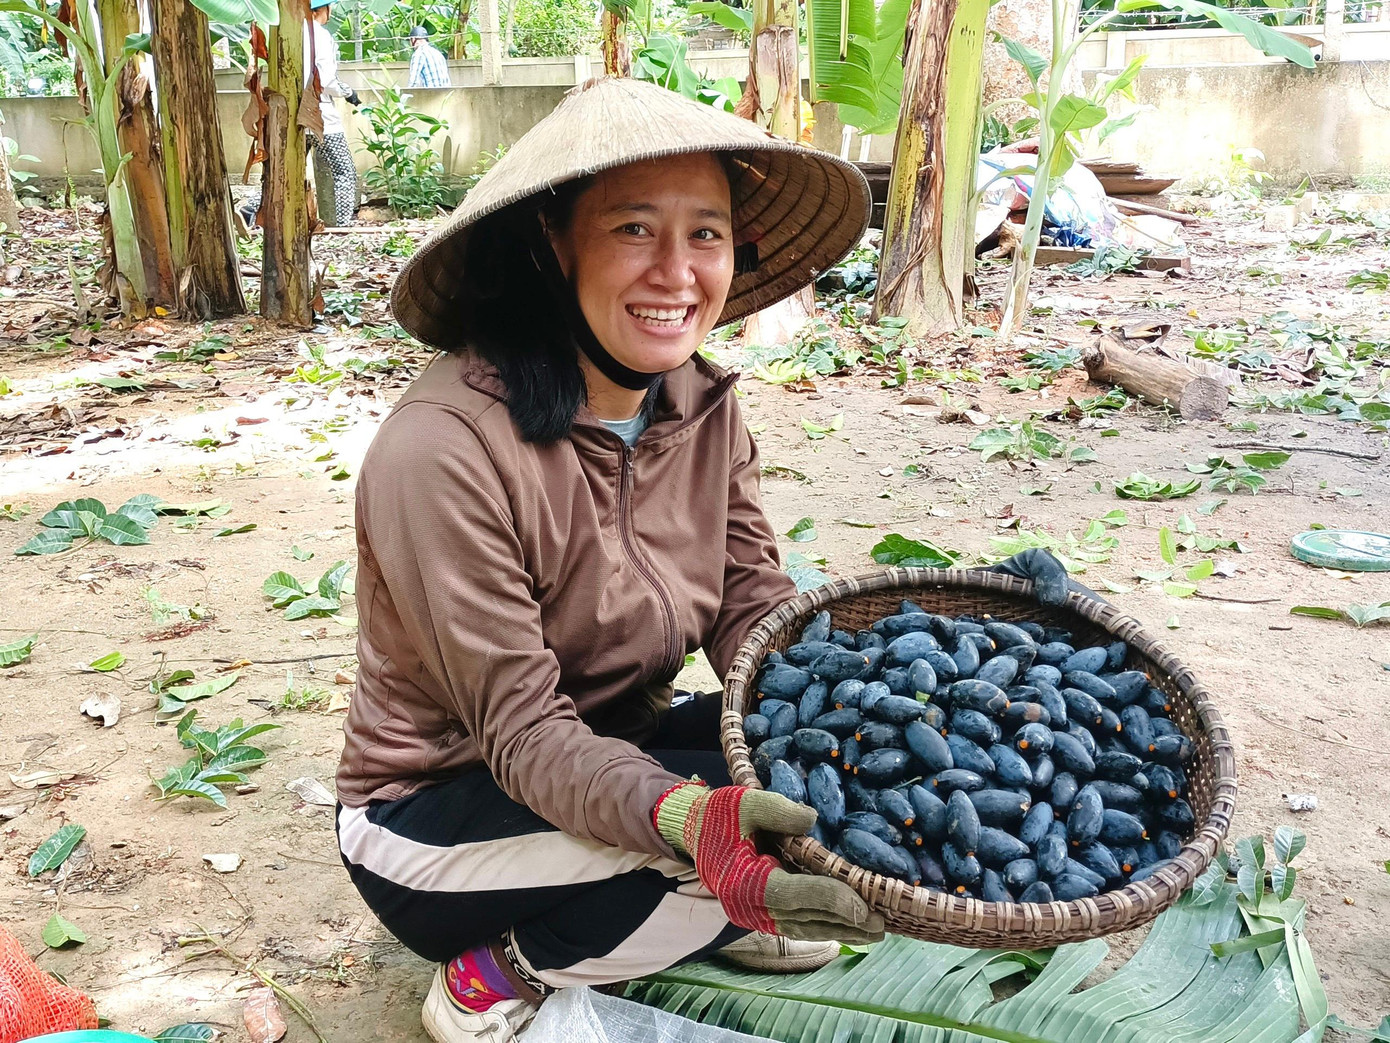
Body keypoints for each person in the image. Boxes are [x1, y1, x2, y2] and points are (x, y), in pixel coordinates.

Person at [335, 77, 1076, 1043]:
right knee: (720, 850)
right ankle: (492, 972)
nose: (677, 272)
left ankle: (686, 906)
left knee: (835, 804)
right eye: (634, 229)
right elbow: (521, 735)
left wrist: (928, 664)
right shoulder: (444, 451)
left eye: (707, 234)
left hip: (604, 750)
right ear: (553, 244)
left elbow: (751, 607)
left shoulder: (697, 403)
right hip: (436, 818)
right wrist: (691, 820)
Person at [235, 0, 359, 232]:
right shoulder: (320, 35)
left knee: (280, 170)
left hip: (286, 115)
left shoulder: (285, 32)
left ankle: (249, 209)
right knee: (343, 170)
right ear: (323, 9)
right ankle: (342, 225)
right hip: (320, 116)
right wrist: (348, 92)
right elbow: (327, 80)